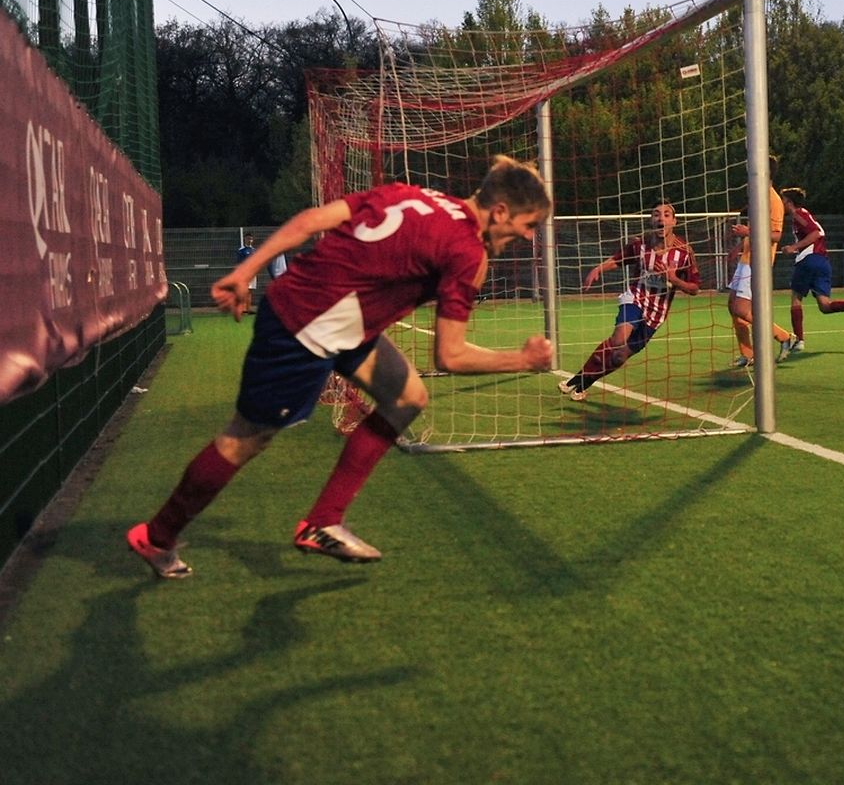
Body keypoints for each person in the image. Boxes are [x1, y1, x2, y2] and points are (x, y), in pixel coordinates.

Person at [127, 155, 554, 578]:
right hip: (304, 328)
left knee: (408, 397)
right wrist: (522, 360)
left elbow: (311, 220)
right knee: (244, 439)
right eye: (529, 224)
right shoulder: (465, 251)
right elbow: (450, 356)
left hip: (338, 320)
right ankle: (158, 536)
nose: (528, 235)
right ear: (500, 211)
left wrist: (247, 271)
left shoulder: (411, 194)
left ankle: (324, 521)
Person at [558, 199, 699, 400]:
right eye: (656, 214)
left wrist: (673, 279)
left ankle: (582, 385)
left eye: (666, 214)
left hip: (656, 314)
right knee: (618, 340)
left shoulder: (684, 251)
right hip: (635, 299)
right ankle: (574, 380)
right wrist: (598, 269)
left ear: (674, 221)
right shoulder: (640, 244)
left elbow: (694, 289)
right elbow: (618, 259)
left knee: (619, 357)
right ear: (651, 220)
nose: (661, 218)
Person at [779, 188, 844, 354]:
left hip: (808, 260)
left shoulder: (798, 214)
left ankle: (799, 340)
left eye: (782, 200)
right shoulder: (803, 214)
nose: (781, 203)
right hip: (822, 262)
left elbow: (815, 233)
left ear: (789, 202)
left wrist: (793, 247)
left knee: (796, 299)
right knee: (825, 305)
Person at [727, 155, 796, 366]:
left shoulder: (773, 200)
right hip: (747, 258)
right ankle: (748, 354)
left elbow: (775, 235)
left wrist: (747, 231)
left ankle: (784, 336)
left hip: (758, 262)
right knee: (732, 306)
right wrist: (739, 247)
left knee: (741, 309)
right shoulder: (758, 195)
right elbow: (756, 229)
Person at [236, 234, 259, 312]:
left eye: (251, 239)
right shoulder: (241, 250)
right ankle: (242, 308)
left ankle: (248, 309)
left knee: (250, 291)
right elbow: (239, 263)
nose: (250, 240)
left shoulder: (254, 250)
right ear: (245, 239)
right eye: (248, 238)